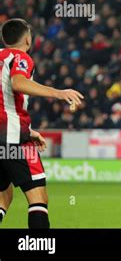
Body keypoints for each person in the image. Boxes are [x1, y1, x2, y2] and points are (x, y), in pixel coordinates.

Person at [0, 19, 84, 228]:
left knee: (4, 194)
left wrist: (28, 130)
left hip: (10, 132)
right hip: (12, 138)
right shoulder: (20, 57)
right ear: (28, 39)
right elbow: (18, 83)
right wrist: (59, 93)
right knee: (38, 197)